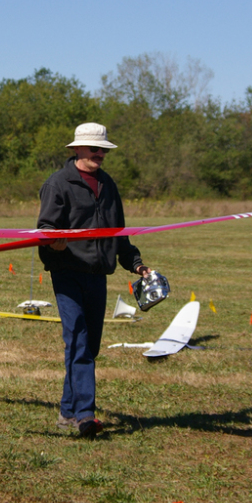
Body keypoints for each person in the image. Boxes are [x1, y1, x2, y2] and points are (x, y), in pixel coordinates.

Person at [37, 123, 152, 438]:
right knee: (78, 340)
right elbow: (45, 229)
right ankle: (86, 416)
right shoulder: (58, 184)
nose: (100, 154)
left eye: (103, 149)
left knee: (89, 346)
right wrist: (54, 244)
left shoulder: (108, 185)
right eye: (94, 148)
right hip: (68, 272)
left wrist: (137, 265)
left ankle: (67, 411)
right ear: (77, 149)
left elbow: (119, 233)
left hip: (97, 274)